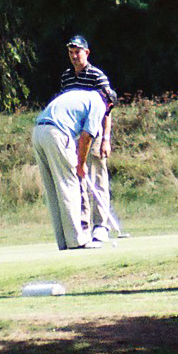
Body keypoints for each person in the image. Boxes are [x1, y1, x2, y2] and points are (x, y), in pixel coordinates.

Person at [59, 35, 122, 243]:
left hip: (94, 132)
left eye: (78, 52)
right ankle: (84, 224)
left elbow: (106, 110)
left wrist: (106, 138)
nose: (74, 56)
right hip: (75, 134)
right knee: (78, 179)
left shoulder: (97, 76)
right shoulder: (66, 77)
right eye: (71, 52)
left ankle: (101, 225)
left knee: (97, 177)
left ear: (87, 53)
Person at [30, 86, 109, 250]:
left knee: (54, 189)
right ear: (109, 104)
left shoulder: (80, 95)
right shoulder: (99, 104)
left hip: (38, 132)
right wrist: (81, 164)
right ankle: (77, 241)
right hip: (56, 133)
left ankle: (63, 241)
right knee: (69, 185)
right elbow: (86, 136)